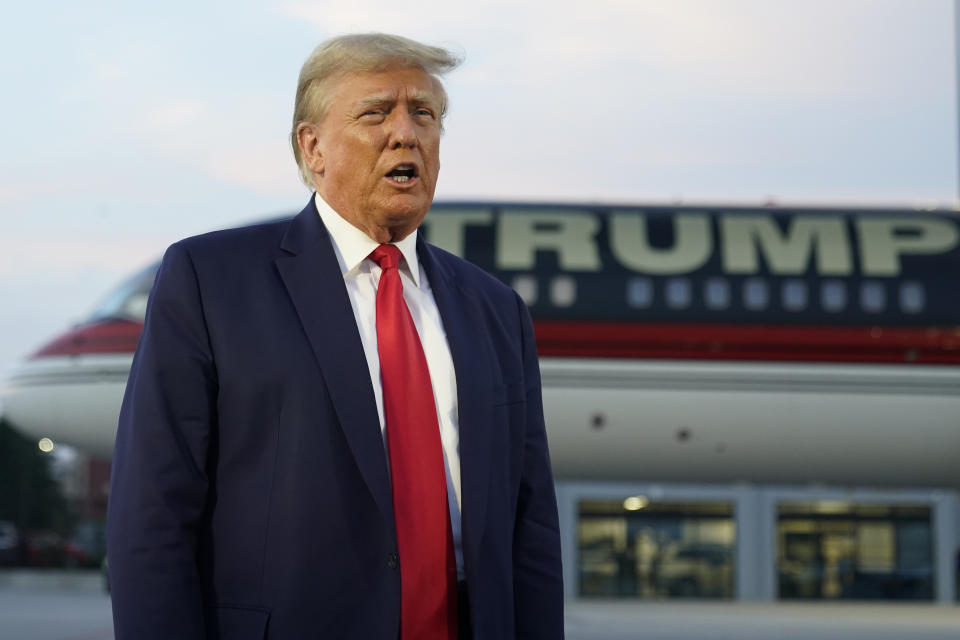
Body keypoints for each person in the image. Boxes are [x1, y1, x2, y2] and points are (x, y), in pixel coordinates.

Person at [106, 33, 564, 639]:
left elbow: (529, 530)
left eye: (424, 114)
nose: (407, 134)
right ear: (312, 146)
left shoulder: (496, 310)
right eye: (377, 112)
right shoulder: (209, 280)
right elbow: (152, 514)